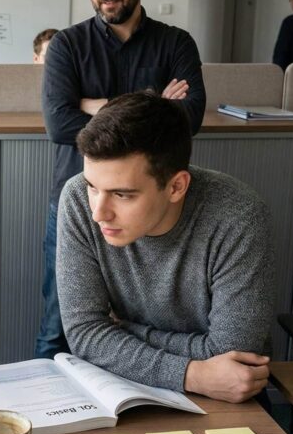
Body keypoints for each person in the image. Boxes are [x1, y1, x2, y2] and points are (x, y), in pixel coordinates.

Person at [37, 0, 206, 359]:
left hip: (154, 208)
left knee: (145, 325)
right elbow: (59, 123)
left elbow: (189, 119)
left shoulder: (176, 43)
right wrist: (153, 102)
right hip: (78, 203)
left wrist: (93, 105)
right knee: (59, 329)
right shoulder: (68, 45)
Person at [57, 91, 275, 403]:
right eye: (94, 187)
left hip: (225, 395)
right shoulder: (77, 198)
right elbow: (84, 334)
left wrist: (121, 330)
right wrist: (192, 374)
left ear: (176, 187)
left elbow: (234, 356)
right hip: (127, 387)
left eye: (122, 194)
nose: (98, 213)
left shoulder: (239, 217)